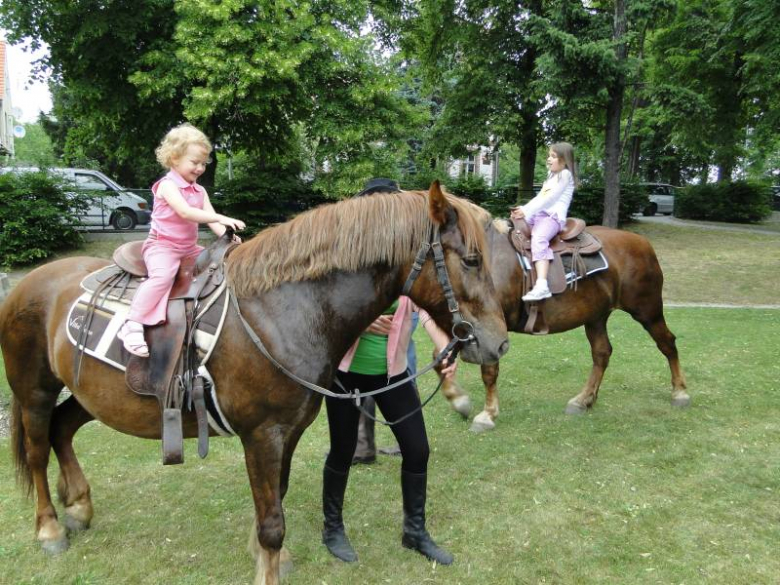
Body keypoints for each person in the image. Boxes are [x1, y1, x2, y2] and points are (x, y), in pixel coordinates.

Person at [322, 296, 457, 565]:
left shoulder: (407, 270)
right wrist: (362, 322)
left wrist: (445, 348)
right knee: (343, 451)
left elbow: (426, 313)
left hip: (393, 375)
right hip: (346, 376)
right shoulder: (353, 263)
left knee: (417, 450)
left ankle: (414, 532)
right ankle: (333, 529)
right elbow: (327, 308)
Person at [118, 123, 245, 357]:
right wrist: (222, 216)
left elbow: (212, 222)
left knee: (216, 268)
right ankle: (132, 324)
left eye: (203, 163)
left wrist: (229, 238)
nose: (199, 168)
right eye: (194, 162)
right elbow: (186, 212)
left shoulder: (200, 191)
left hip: (188, 249)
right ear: (174, 159)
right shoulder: (167, 186)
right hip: (162, 247)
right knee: (162, 276)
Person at [510, 142, 577, 301]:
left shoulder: (565, 175)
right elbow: (540, 198)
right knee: (516, 227)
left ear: (564, 160)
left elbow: (550, 198)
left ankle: (542, 285)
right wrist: (523, 209)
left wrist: (526, 211)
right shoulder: (552, 176)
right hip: (540, 214)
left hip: (552, 217)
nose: (548, 159)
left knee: (539, 239)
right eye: (549, 156)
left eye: (553, 156)